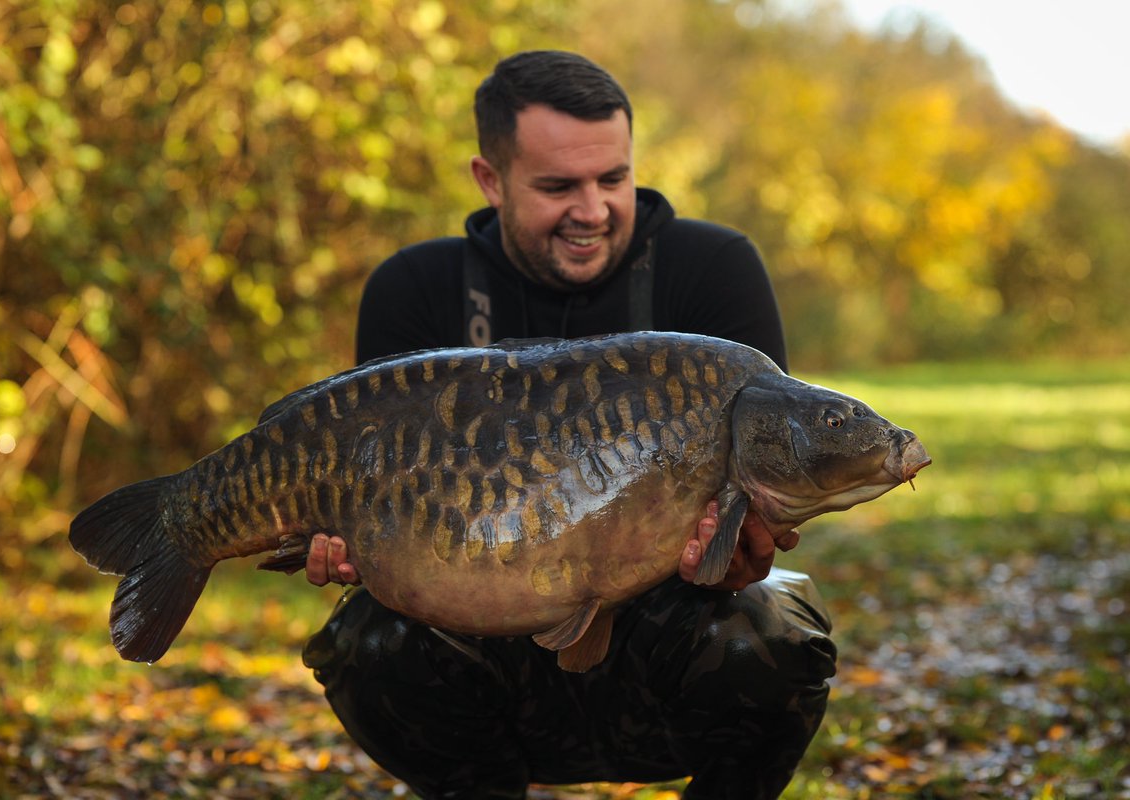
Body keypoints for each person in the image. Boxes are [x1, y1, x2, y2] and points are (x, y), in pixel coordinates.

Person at [301, 50, 837, 800]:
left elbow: (756, 504)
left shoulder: (715, 270)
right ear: (491, 180)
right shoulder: (415, 288)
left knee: (775, 632)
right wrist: (353, 544)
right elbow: (375, 508)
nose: (593, 210)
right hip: (488, 650)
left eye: (613, 178)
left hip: (665, 651)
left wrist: (742, 551)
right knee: (369, 640)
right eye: (558, 187)